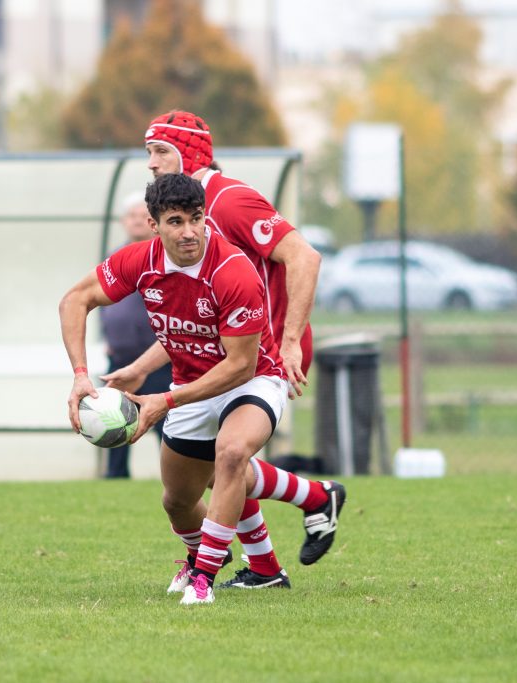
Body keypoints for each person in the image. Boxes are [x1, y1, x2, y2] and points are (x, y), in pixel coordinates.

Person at [60, 174, 339, 605]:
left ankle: (204, 578)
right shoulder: (139, 260)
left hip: (253, 380)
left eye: (196, 219)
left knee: (230, 455)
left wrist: (165, 401)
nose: (189, 231)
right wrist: (82, 374)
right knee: (177, 500)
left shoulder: (232, 271)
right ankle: (262, 528)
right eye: (175, 221)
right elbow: (75, 300)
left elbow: (240, 365)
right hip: (190, 384)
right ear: (154, 225)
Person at [107, 110, 344, 588]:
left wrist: (293, 340)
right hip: (220, 355)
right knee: (218, 465)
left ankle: (220, 569)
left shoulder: (229, 200)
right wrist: (138, 366)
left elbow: (305, 256)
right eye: (148, 153)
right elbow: (189, 324)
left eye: (159, 152)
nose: (150, 164)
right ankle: (284, 541)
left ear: (189, 151)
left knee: (227, 457)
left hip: (267, 353)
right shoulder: (185, 216)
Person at [96, 192, 173, 478]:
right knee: (114, 419)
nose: (138, 222)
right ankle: (116, 477)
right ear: (123, 221)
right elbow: (102, 303)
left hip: (158, 359)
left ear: (153, 221)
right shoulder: (114, 257)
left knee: (166, 424)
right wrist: (107, 336)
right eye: (132, 216)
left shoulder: (165, 256)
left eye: (144, 216)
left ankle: (175, 476)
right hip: (121, 358)